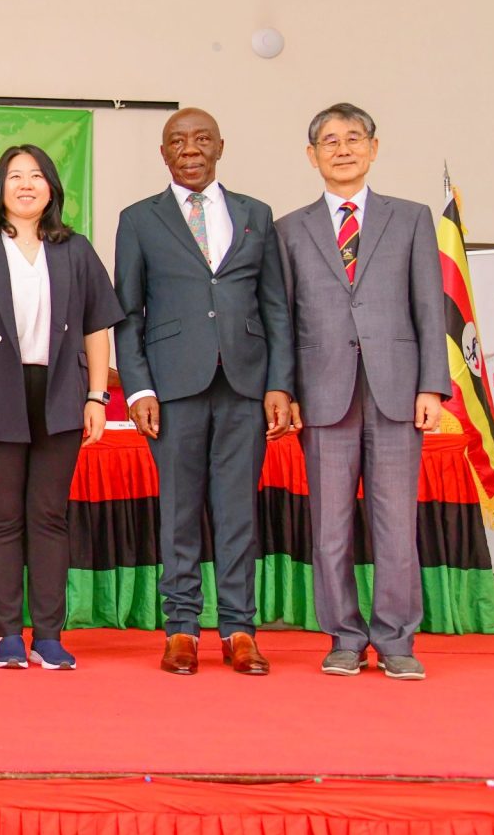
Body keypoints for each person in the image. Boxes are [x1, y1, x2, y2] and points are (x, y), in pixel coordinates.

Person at [113, 107, 294, 677]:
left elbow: (276, 309)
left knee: (238, 511)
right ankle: (182, 628)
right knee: (179, 512)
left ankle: (240, 629)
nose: (189, 149)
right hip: (173, 389)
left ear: (220, 146)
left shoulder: (256, 215)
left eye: (200, 139)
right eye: (176, 142)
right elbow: (127, 315)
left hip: (244, 384)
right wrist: (138, 387)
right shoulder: (139, 219)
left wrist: (280, 384)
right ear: (163, 153)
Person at [0, 145, 122, 670]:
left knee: (49, 516)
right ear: (1, 188)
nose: (26, 184)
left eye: (36, 175)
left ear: (52, 188)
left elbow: (97, 328)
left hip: (60, 392)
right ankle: (8, 634)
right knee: (1, 516)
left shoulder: (75, 250)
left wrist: (96, 395)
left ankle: (51, 634)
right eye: (15, 176)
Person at [277, 103, 446, 680]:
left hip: (398, 390)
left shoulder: (412, 218)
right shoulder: (289, 229)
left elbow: (429, 308)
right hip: (324, 395)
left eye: (354, 139)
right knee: (329, 528)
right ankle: (344, 636)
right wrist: (287, 389)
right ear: (312, 156)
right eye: (330, 141)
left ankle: (397, 640)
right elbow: (285, 319)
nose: (342, 149)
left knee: (396, 524)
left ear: (374, 148)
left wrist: (433, 386)